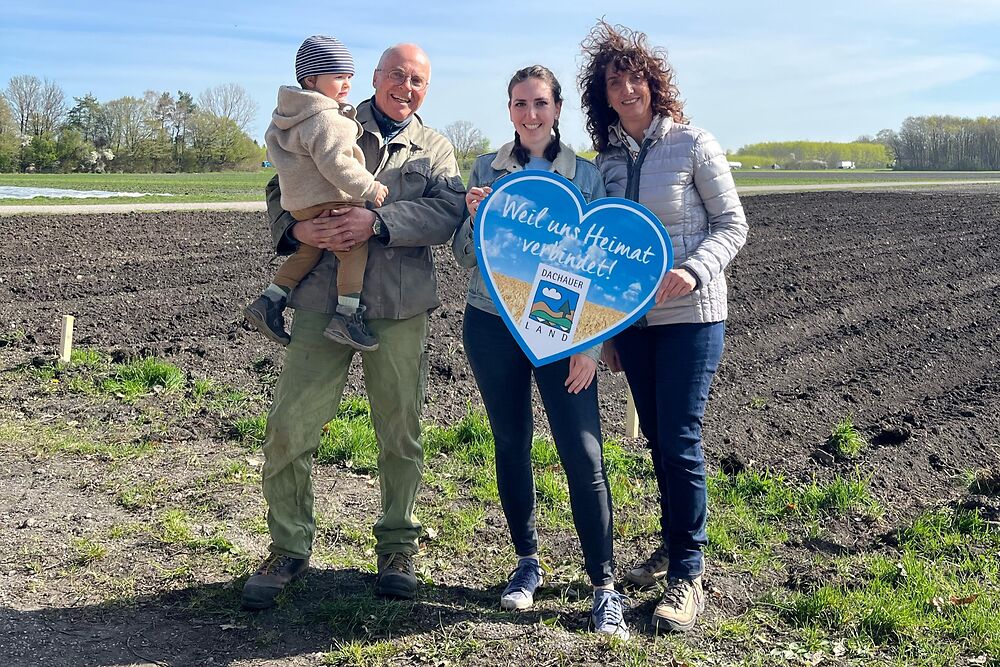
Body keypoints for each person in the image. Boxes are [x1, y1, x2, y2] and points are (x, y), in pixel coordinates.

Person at [241, 43, 465, 610]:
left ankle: (397, 545)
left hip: (398, 308)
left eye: (417, 80)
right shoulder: (330, 119)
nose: (405, 86)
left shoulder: (436, 149)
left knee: (401, 433)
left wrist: (379, 221)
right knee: (290, 428)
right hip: (321, 301)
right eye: (396, 74)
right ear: (374, 76)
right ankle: (288, 546)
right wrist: (298, 232)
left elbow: (448, 212)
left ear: (425, 89)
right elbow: (278, 189)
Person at [578, 21, 748, 632]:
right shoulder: (606, 164)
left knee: (678, 436)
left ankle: (688, 574)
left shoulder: (694, 143)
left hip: (691, 316)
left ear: (654, 84)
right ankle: (673, 545)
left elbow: (733, 225)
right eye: (613, 82)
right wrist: (613, 331)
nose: (626, 90)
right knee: (655, 435)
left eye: (635, 78)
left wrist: (695, 272)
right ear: (603, 96)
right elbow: (605, 249)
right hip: (637, 325)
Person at [454, 65, 629, 639]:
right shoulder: (486, 169)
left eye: (540, 103)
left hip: (563, 334)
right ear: (508, 110)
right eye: (519, 104)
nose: (530, 114)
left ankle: (604, 586)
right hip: (492, 323)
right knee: (511, 440)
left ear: (557, 110)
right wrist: (476, 219)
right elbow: (464, 255)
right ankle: (527, 564)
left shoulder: (585, 175)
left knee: (583, 451)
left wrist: (593, 342)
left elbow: (601, 267)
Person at [245, 35, 389, 352]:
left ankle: (270, 301)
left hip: (300, 207)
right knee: (353, 248)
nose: (347, 84)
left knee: (307, 252)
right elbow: (337, 164)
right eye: (338, 76)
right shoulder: (328, 119)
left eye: (350, 76)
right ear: (311, 78)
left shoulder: (286, 117)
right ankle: (347, 316)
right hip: (332, 200)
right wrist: (370, 187)